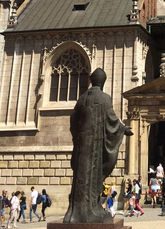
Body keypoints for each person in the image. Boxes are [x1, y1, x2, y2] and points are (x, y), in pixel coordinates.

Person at [63, 69, 133, 224]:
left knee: (81, 176)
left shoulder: (81, 99)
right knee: (94, 175)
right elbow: (111, 119)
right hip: (95, 147)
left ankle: (74, 213)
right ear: (103, 82)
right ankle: (90, 211)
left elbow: (73, 120)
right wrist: (123, 129)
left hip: (82, 145)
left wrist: (78, 137)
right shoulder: (104, 98)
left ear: (91, 80)